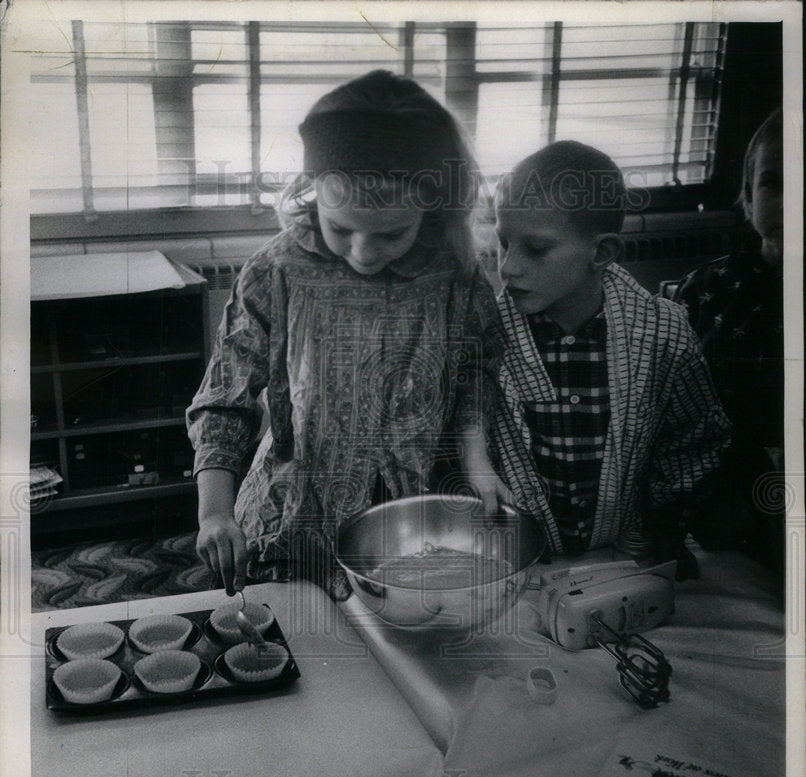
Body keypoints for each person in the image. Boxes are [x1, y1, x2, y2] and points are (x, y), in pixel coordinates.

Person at [187, 70, 508, 600]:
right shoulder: (276, 271)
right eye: (340, 228)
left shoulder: (456, 279)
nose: (361, 252)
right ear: (311, 193)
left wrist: (477, 461)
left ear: (434, 206)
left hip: (408, 529)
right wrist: (214, 513)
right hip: (292, 527)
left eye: (391, 234)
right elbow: (224, 400)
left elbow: (475, 375)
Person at [488, 140, 731, 579]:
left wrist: (663, 526)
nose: (508, 267)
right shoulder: (486, 333)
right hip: (517, 556)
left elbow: (694, 438)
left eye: (536, 248)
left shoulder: (664, 335)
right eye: (504, 243)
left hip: (622, 551)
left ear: (600, 253)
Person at [674, 109, 784, 576]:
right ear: (747, 193)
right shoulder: (708, 286)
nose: (791, 199)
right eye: (773, 182)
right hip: (716, 502)